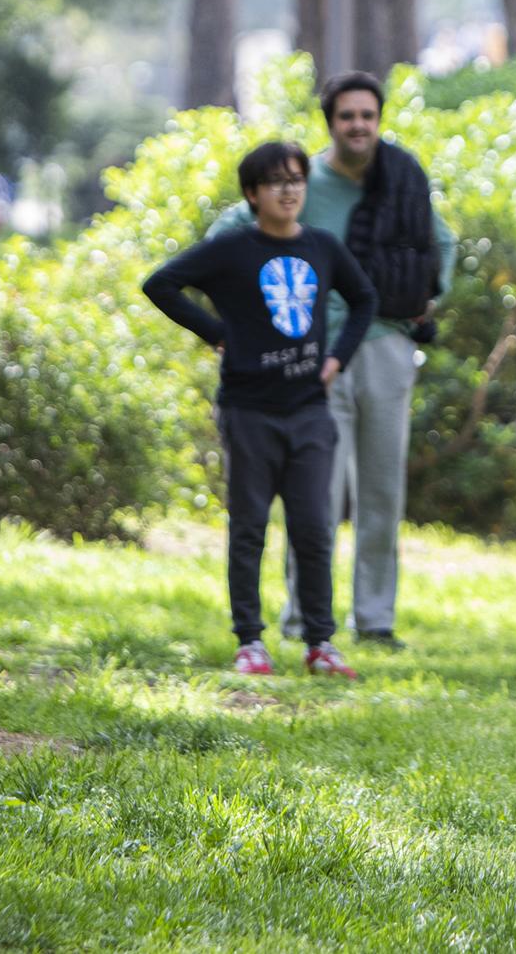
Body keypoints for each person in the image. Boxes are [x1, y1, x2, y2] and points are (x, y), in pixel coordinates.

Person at [207, 73, 454, 648]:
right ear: (330, 123)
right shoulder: (301, 181)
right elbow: (226, 236)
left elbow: (443, 244)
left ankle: (375, 621)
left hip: (387, 348)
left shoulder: (401, 180)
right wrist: (242, 321)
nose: (359, 126)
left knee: (382, 493)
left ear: (379, 119)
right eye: (348, 116)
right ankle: (303, 617)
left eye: (368, 115)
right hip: (313, 358)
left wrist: (429, 296)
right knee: (315, 496)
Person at [144, 140, 377, 678]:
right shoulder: (232, 249)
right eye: (276, 181)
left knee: (314, 529)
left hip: (310, 411)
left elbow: (364, 299)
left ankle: (321, 643)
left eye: (297, 178)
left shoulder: (322, 246)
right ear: (253, 194)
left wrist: (337, 358)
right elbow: (160, 283)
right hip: (249, 411)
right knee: (249, 527)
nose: (289, 189)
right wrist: (218, 333)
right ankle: (250, 641)